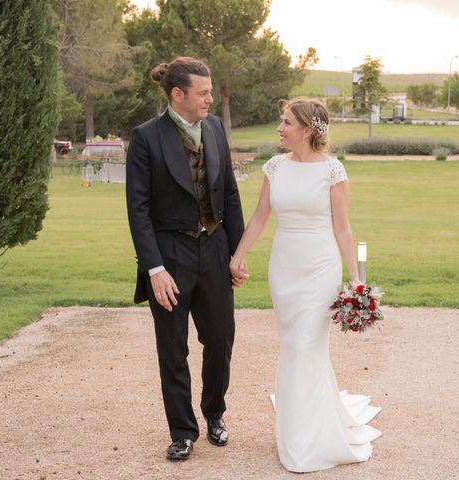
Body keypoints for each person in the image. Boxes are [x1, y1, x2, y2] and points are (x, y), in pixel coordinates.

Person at [229, 97, 382, 472]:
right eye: (280, 121)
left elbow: (342, 227)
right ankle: (297, 429)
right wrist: (238, 255)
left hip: (319, 266)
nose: (279, 128)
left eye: (286, 122)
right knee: (293, 346)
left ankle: (308, 440)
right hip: (285, 267)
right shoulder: (275, 166)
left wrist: (356, 279)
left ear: (308, 129)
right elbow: (261, 217)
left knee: (304, 345)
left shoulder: (333, 171)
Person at [126, 56, 246, 461]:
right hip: (170, 257)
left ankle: (214, 412)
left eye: (210, 91)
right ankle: (182, 431)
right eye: (204, 92)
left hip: (214, 249)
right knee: (172, 349)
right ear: (178, 95)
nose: (210, 98)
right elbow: (138, 209)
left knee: (221, 339)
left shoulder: (214, 128)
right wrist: (154, 268)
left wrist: (237, 253)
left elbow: (229, 192)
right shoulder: (145, 137)